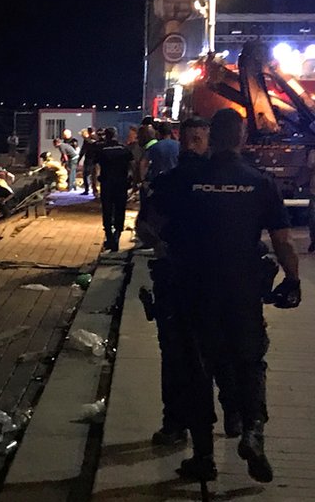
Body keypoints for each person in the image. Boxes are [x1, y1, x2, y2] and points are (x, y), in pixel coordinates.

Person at [163, 109, 301, 483]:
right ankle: (253, 433)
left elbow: (155, 231)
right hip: (242, 293)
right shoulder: (260, 183)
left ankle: (203, 457)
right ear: (241, 137)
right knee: (250, 362)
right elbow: (283, 241)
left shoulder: (185, 181)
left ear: (211, 137)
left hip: (195, 292)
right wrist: (293, 280)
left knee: (199, 370)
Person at [137, 116, 243, 446]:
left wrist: (161, 245)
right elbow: (146, 227)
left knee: (181, 356)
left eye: (198, 139)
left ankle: (179, 424)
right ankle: (227, 414)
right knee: (214, 351)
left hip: (184, 282)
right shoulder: (227, 180)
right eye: (190, 139)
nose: (193, 145)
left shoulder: (175, 181)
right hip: (210, 282)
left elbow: (146, 227)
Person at [95, 127, 133, 251]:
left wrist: (95, 183)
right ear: (115, 135)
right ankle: (117, 235)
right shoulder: (124, 149)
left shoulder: (102, 149)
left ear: (106, 135)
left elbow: (96, 166)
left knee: (107, 210)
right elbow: (132, 165)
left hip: (106, 184)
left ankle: (109, 237)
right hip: (121, 184)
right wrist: (131, 180)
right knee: (120, 209)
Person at [80, 127, 101, 195]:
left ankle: (87, 189)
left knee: (86, 174)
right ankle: (95, 189)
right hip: (97, 159)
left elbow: (83, 150)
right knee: (95, 174)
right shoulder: (98, 139)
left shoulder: (87, 140)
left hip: (89, 159)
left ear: (88, 132)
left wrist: (79, 159)